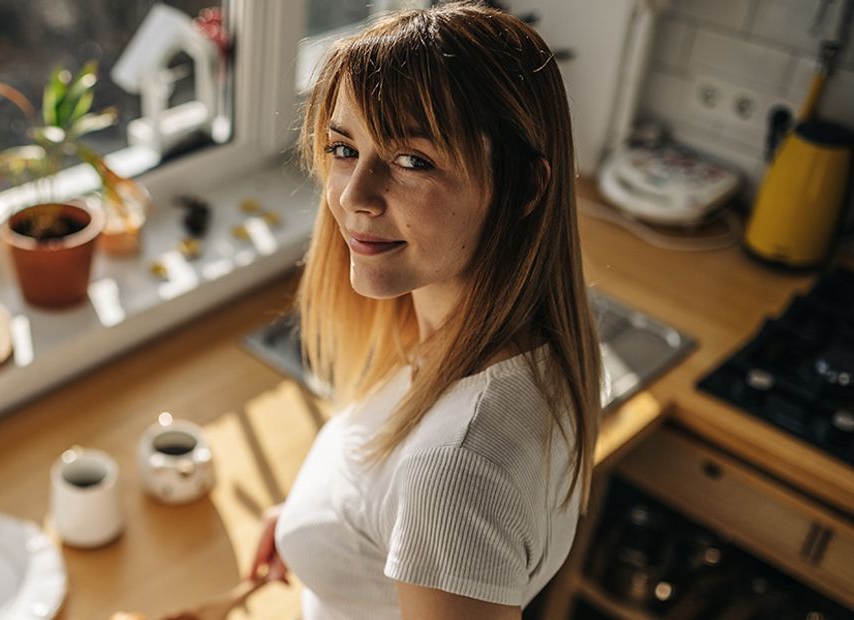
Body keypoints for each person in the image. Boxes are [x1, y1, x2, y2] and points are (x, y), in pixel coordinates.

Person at [247, 3, 603, 619]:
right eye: (342, 147)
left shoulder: (456, 475)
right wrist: (323, 530)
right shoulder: (520, 342)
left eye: (413, 160)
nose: (354, 196)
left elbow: (451, 498)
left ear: (524, 186)